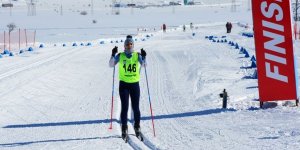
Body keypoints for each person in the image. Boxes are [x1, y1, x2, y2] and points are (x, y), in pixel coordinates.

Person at [109, 35, 146, 141]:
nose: (129, 46)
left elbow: (144, 65)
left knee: (136, 108)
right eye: (127, 44)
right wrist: (112, 54)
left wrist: (144, 57)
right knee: (125, 107)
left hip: (134, 85)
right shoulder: (120, 56)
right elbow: (111, 65)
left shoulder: (137, 55)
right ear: (124, 46)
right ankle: (124, 128)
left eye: (130, 44)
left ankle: (137, 126)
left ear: (133, 45)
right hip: (124, 85)